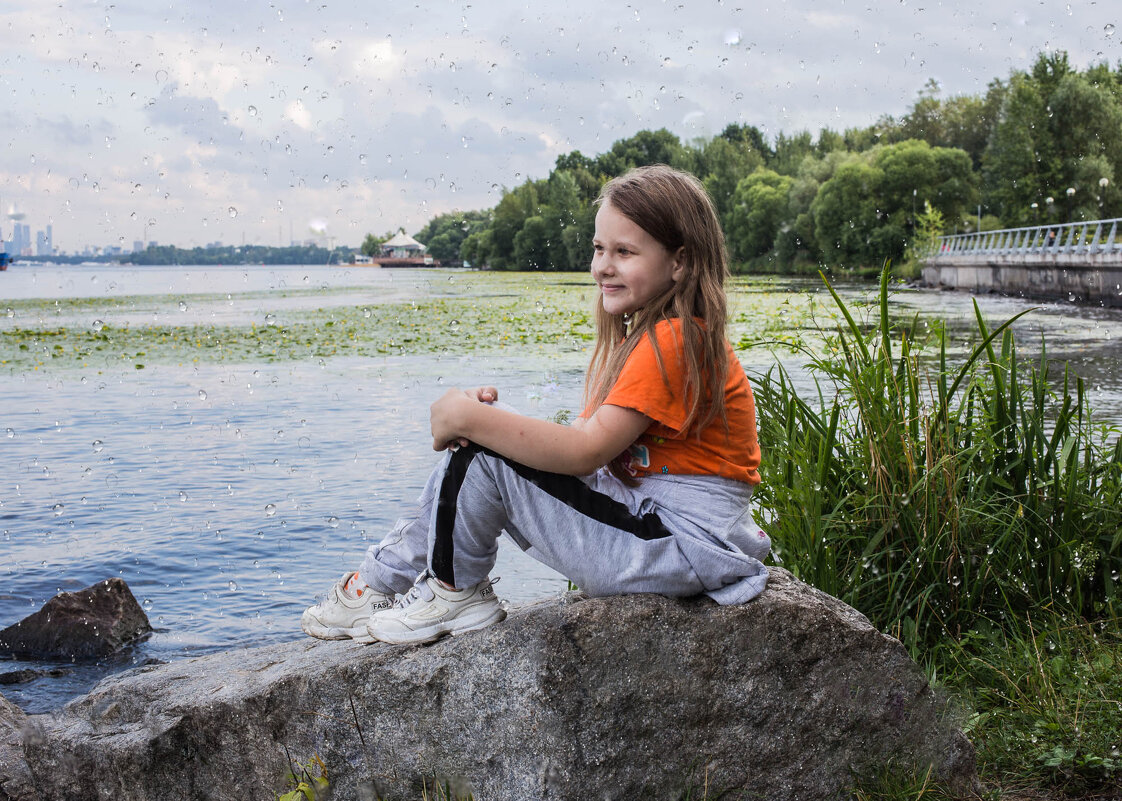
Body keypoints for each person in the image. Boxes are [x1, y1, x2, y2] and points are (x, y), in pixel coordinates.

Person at [301, 164, 771, 646]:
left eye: (624, 252)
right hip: (667, 538)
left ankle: (449, 589)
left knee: (482, 452)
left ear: (680, 262)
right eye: (598, 249)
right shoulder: (654, 338)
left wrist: (477, 423)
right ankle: (380, 585)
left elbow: (583, 453)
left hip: (678, 543)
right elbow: (580, 451)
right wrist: (487, 424)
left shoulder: (675, 340)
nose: (602, 266)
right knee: (484, 447)